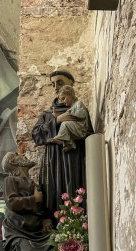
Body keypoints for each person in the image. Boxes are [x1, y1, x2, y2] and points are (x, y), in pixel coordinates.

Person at [32, 69, 94, 221]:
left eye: (60, 82)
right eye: (53, 84)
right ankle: (54, 225)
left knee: (74, 190)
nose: (56, 87)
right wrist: (58, 120)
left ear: (71, 84)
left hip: (73, 157)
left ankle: (76, 226)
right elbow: (36, 135)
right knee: (53, 191)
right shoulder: (47, 114)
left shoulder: (79, 109)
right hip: (52, 160)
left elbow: (89, 135)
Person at [1, 152, 53, 251]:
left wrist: (45, 220)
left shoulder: (33, 184)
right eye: (17, 155)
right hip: (19, 230)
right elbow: (12, 202)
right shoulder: (10, 181)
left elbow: (40, 207)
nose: (23, 155)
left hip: (36, 230)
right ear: (13, 162)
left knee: (54, 248)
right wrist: (34, 199)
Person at [49, 85, 90, 152]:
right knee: (66, 125)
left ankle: (60, 139)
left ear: (70, 94)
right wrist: (58, 116)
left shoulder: (78, 103)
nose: (63, 102)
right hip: (77, 127)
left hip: (81, 128)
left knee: (65, 124)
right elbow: (68, 116)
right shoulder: (73, 107)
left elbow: (81, 115)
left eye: (63, 98)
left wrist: (70, 113)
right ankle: (70, 144)